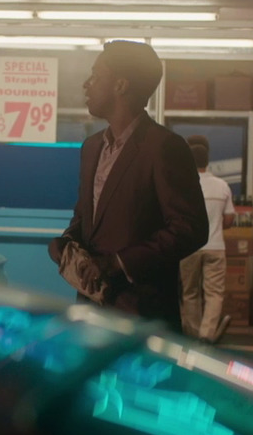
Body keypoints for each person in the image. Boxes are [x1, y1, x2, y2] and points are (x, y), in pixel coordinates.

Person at [48, 41, 207, 331]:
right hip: (91, 311)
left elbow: (190, 228)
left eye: (96, 75)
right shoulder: (92, 148)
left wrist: (116, 263)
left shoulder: (164, 147)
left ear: (120, 85)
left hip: (141, 315)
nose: (86, 84)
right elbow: (85, 218)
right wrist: (67, 243)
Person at [179, 136, 235, 342]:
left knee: (190, 292)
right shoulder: (222, 186)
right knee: (214, 293)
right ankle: (207, 335)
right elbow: (229, 220)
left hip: (189, 248)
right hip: (216, 247)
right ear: (207, 161)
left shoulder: (183, 186)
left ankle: (193, 337)